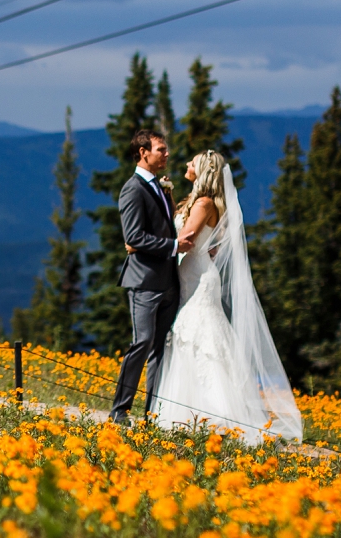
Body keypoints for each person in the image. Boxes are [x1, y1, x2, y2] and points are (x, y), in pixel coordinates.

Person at [149, 150, 302, 444]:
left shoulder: (205, 203)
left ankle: (215, 414)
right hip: (195, 274)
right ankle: (193, 412)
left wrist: (152, 247)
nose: (186, 165)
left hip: (198, 279)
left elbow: (187, 238)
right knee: (196, 336)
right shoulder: (209, 203)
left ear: (203, 170)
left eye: (191, 162)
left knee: (200, 336)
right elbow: (211, 245)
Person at [107, 129, 188, 425]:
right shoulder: (132, 189)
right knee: (141, 343)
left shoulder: (161, 187)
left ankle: (153, 413)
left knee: (160, 349)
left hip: (169, 280)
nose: (166, 154)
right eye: (161, 149)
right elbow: (133, 236)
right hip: (143, 281)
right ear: (143, 152)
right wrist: (174, 246)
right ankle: (119, 411)